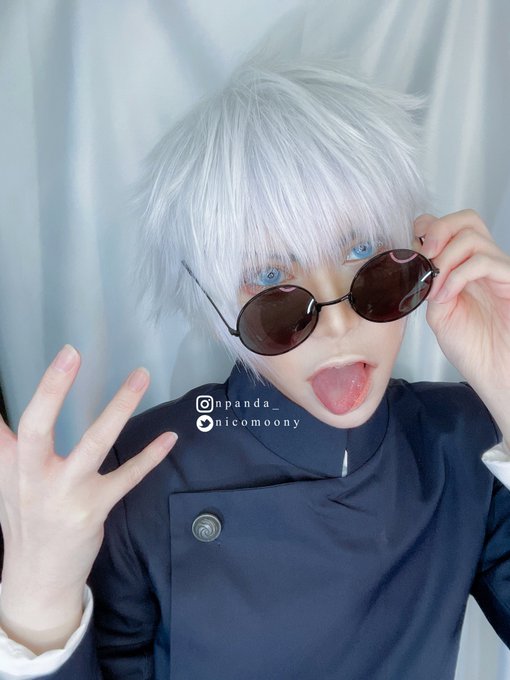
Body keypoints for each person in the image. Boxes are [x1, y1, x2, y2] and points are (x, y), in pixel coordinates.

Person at [1, 54, 510, 680]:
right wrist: (37, 597)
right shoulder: (141, 472)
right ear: (215, 306)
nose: (338, 324)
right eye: (273, 280)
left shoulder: (469, 439)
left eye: (364, 255)